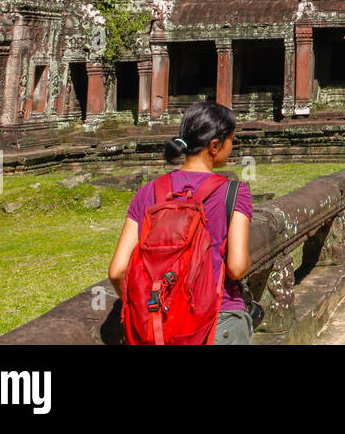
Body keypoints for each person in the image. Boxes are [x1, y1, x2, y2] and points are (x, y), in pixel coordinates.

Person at [108, 101, 254, 344]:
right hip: (219, 320)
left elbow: (117, 271)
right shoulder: (234, 192)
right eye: (231, 140)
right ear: (215, 146)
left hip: (158, 325)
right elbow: (236, 267)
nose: (233, 147)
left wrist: (144, 307)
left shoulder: (148, 192)